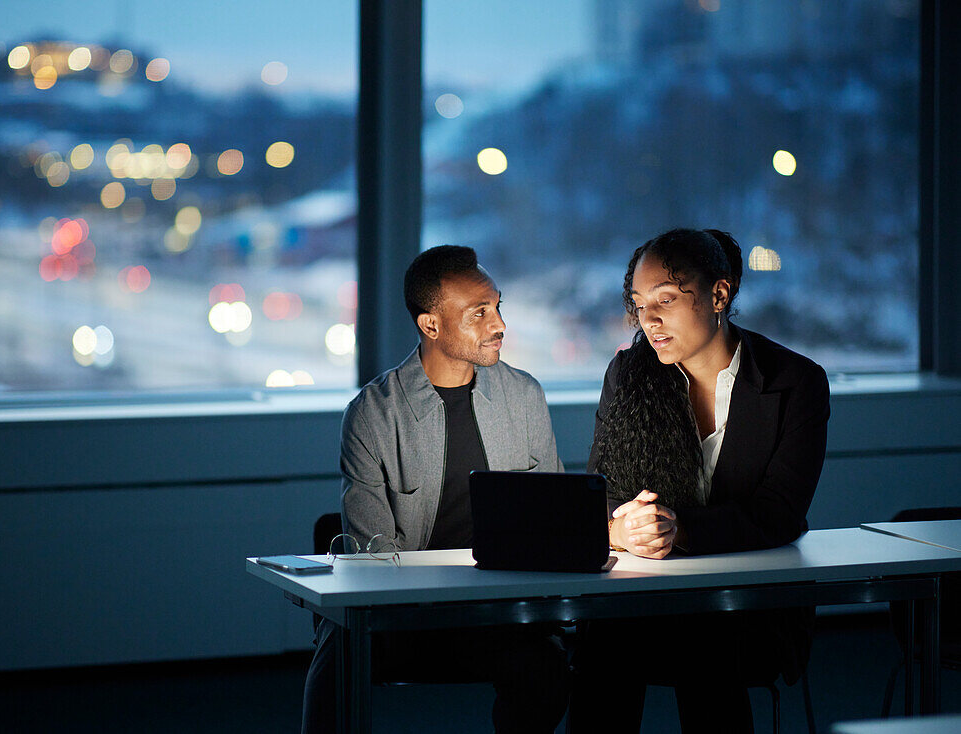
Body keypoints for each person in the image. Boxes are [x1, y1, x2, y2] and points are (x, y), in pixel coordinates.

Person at [568, 228, 830, 734]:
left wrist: (681, 530)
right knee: (606, 640)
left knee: (704, 639)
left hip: (749, 601)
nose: (649, 320)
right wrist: (622, 529)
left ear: (719, 295)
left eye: (666, 299)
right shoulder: (628, 373)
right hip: (649, 597)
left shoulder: (796, 381)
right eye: (639, 303)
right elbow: (599, 494)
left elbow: (779, 514)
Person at [301, 245, 571, 734]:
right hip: (408, 615)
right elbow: (374, 557)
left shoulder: (524, 395)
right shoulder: (373, 413)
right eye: (479, 313)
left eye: (498, 306)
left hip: (502, 611)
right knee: (339, 646)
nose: (499, 324)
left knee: (550, 665)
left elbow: (552, 525)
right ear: (431, 326)